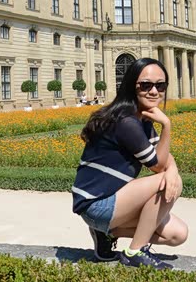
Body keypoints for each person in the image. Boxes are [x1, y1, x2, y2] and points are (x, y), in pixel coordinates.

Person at [71, 57, 188, 270]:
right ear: (131, 85)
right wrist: (167, 125)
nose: (154, 91)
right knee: (169, 182)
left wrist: (172, 169)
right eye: (146, 85)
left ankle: (106, 233)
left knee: (177, 234)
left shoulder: (141, 118)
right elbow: (158, 166)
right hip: (96, 203)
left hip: (109, 200)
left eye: (160, 85)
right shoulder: (126, 122)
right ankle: (135, 252)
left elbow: (164, 158)